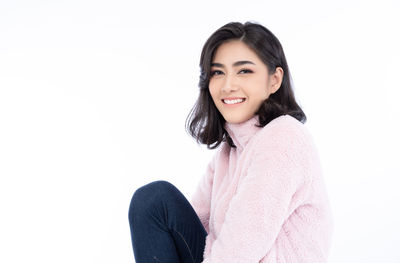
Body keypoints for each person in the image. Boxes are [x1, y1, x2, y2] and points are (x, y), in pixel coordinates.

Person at [128, 21, 334, 263]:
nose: (228, 85)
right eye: (218, 72)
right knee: (154, 204)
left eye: (244, 71)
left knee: (155, 200)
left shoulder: (283, 137)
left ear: (274, 81)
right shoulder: (230, 150)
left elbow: (240, 249)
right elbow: (195, 223)